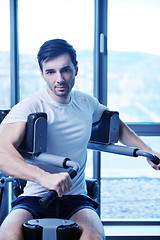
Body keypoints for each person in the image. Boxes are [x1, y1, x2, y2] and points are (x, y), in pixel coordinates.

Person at [0, 39, 159, 240]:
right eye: (50, 72)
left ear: (76, 68)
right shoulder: (29, 106)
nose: (59, 78)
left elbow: (116, 125)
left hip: (75, 198)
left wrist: (147, 150)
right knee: (8, 232)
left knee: (95, 235)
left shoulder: (86, 103)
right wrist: (44, 177)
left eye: (65, 70)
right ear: (42, 74)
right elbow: (2, 153)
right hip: (35, 196)